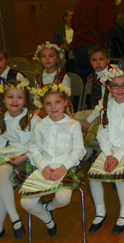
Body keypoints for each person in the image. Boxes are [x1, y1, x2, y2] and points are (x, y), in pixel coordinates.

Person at [20, 84, 85, 237]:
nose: (53, 106)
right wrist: (42, 167)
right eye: (48, 103)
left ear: (66, 103)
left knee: (63, 198)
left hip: (66, 167)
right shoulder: (41, 125)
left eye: (57, 102)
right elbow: (34, 150)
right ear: (43, 106)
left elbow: (79, 151)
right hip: (44, 168)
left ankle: (47, 208)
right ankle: (48, 219)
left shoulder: (73, 125)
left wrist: (64, 167)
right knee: (26, 203)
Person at [87, 67, 124, 235]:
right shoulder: (106, 107)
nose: (119, 89)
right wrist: (109, 154)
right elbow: (102, 134)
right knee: (93, 176)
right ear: (109, 87)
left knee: (119, 177)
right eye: (115, 86)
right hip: (109, 149)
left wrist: (117, 157)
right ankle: (100, 212)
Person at [0, 81, 39, 240]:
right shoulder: (2, 118)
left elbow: (39, 144)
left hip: (28, 158)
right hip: (9, 155)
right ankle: (0, 226)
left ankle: (15, 218)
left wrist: (25, 156)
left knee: (1, 176)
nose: (14, 101)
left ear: (26, 99)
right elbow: (0, 143)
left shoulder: (32, 118)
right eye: (10, 97)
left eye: (19, 97)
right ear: (3, 99)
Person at [71, 0, 117, 81]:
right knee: (100, 82)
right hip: (96, 47)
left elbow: (73, 24)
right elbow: (106, 27)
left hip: (78, 47)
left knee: (85, 82)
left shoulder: (82, 0)